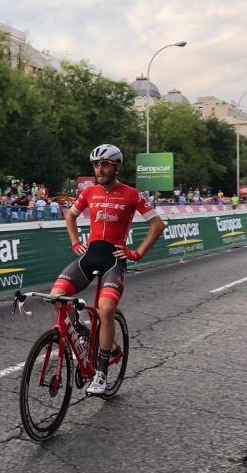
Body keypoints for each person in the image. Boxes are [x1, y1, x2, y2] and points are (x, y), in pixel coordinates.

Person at [51, 144, 165, 395]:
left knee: (106, 309)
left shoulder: (132, 194)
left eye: (104, 164)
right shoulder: (89, 192)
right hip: (90, 255)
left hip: (114, 259)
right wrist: (75, 243)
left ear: (117, 166)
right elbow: (70, 216)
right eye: (95, 164)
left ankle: (101, 373)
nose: (99, 169)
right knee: (57, 297)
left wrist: (137, 253)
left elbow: (158, 224)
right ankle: (82, 333)